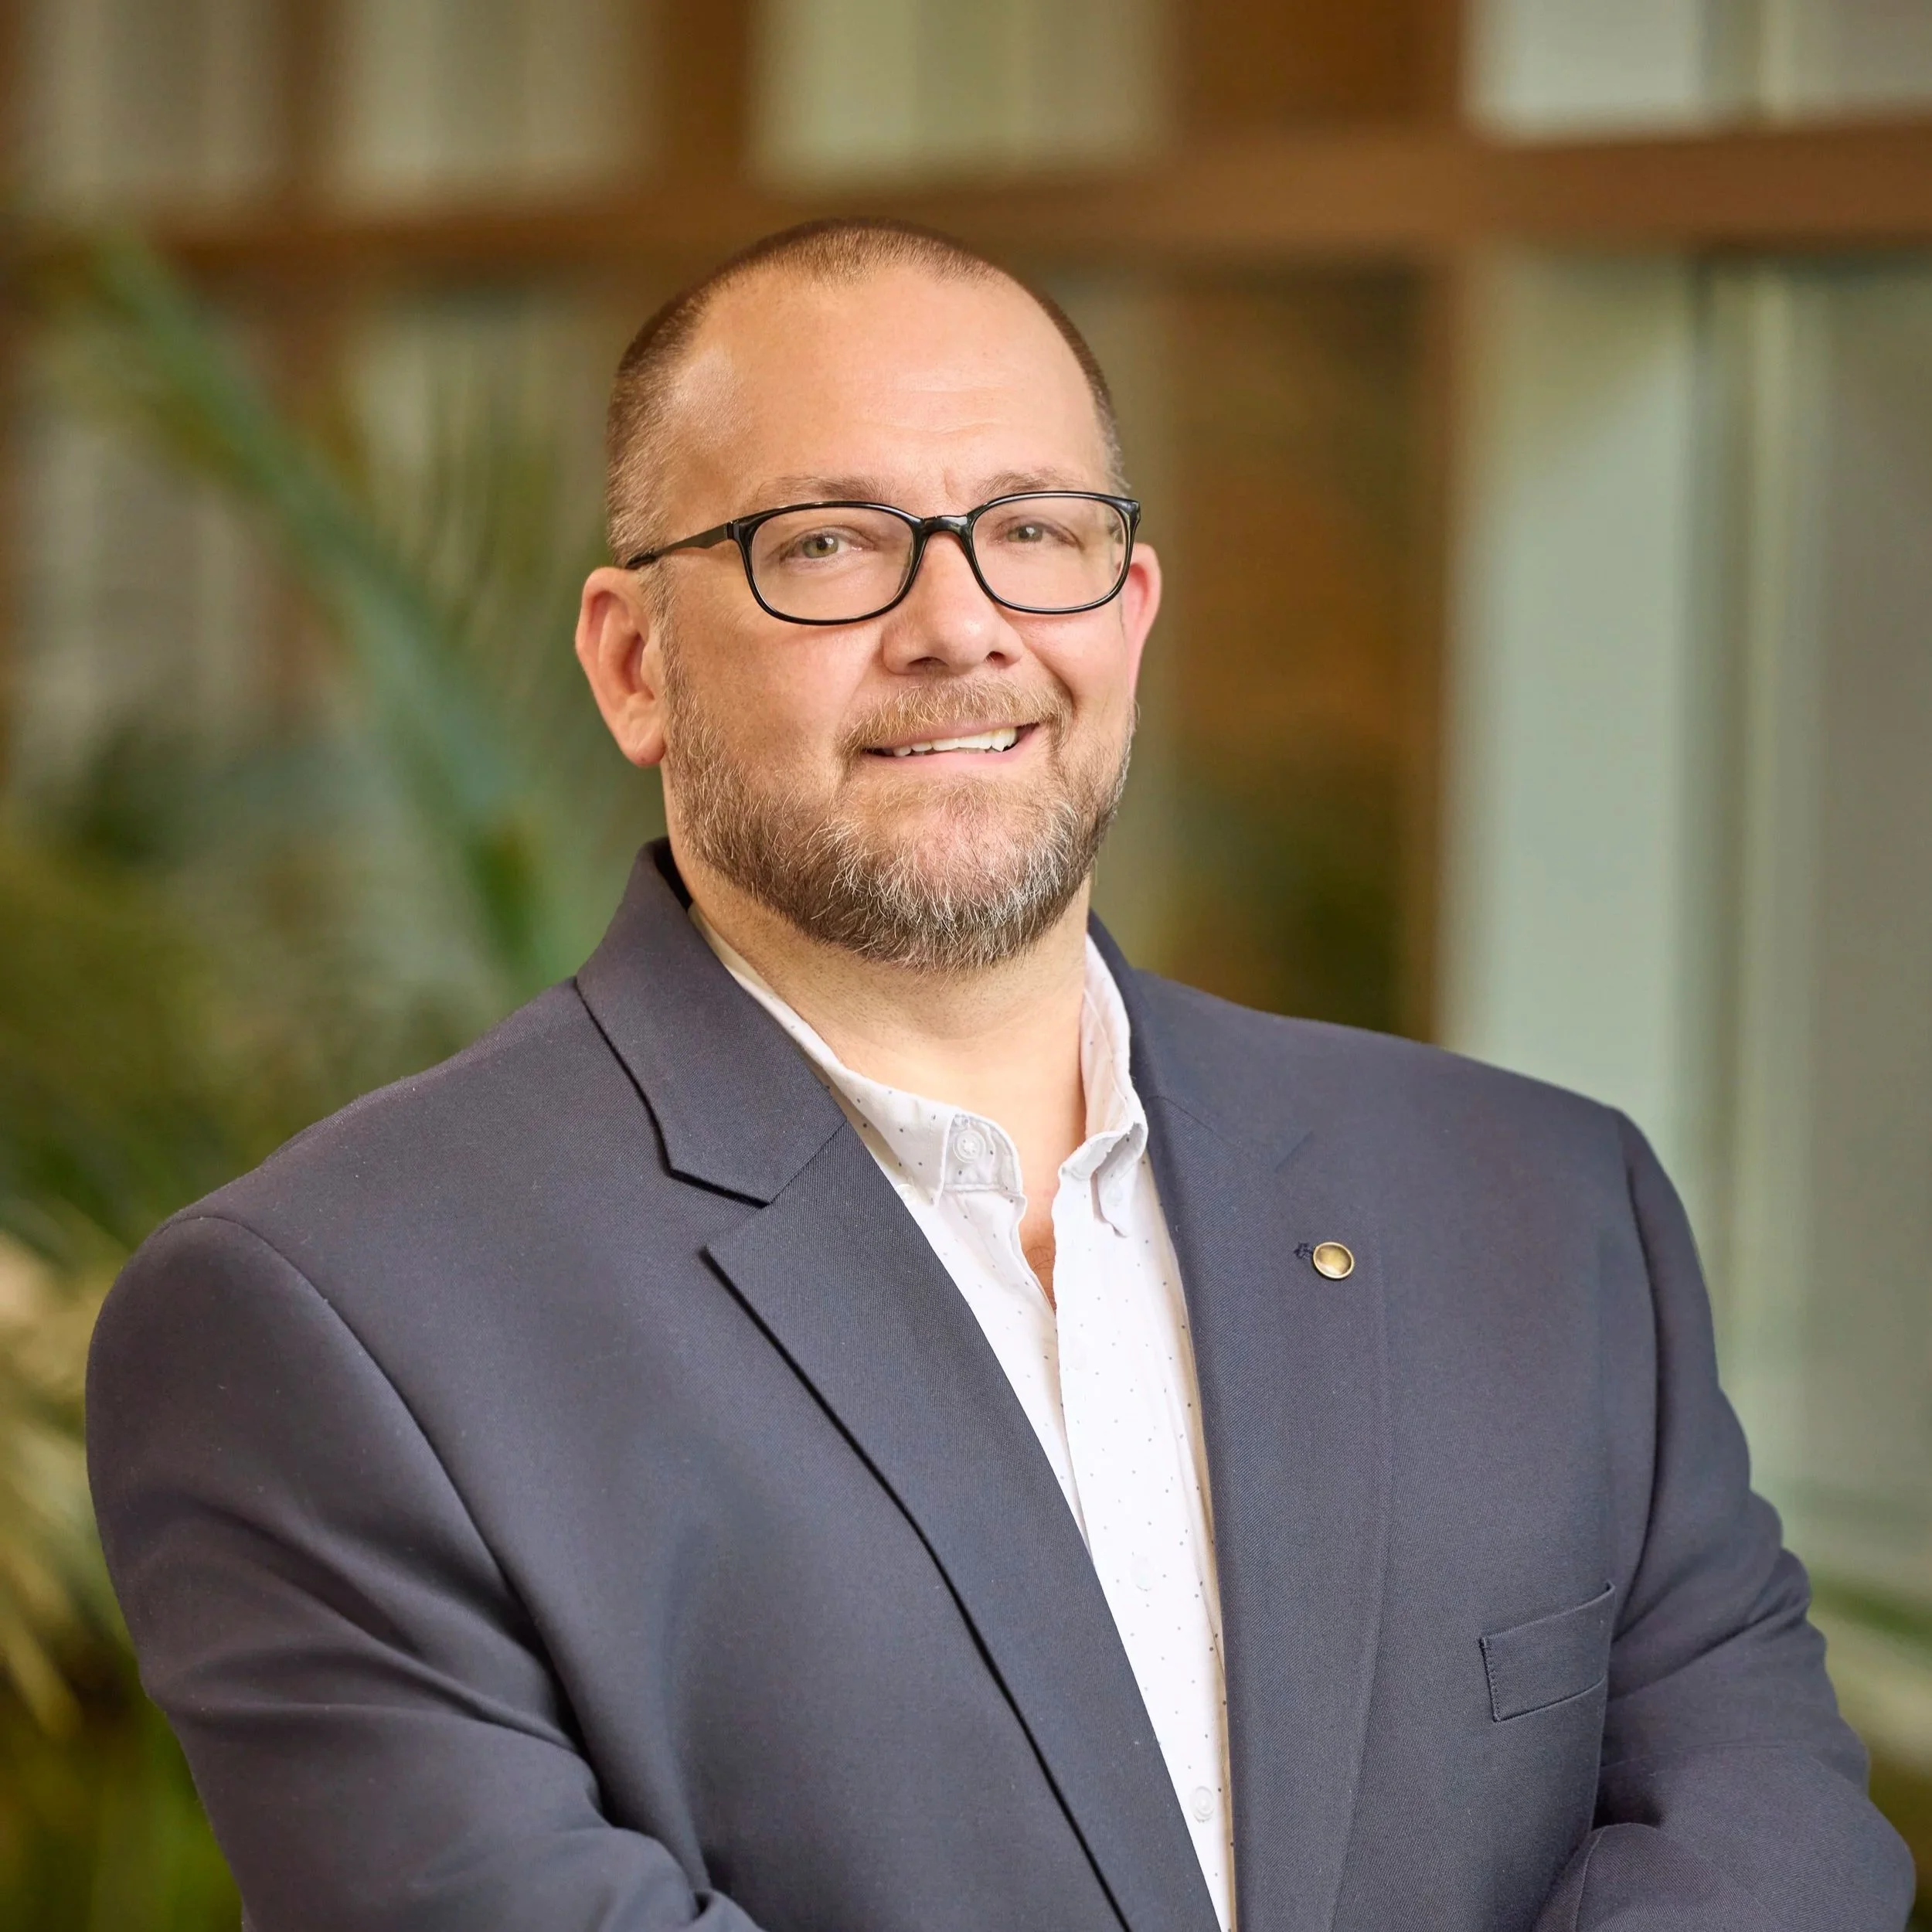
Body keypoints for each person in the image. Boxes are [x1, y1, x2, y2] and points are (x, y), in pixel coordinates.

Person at [87, 219, 1913, 1932]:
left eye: (1030, 531)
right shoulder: (330, 1316)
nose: (959, 624)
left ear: (1125, 611)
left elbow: (1769, 1851)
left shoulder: (1537, 1200)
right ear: (634, 662)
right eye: (823, 541)